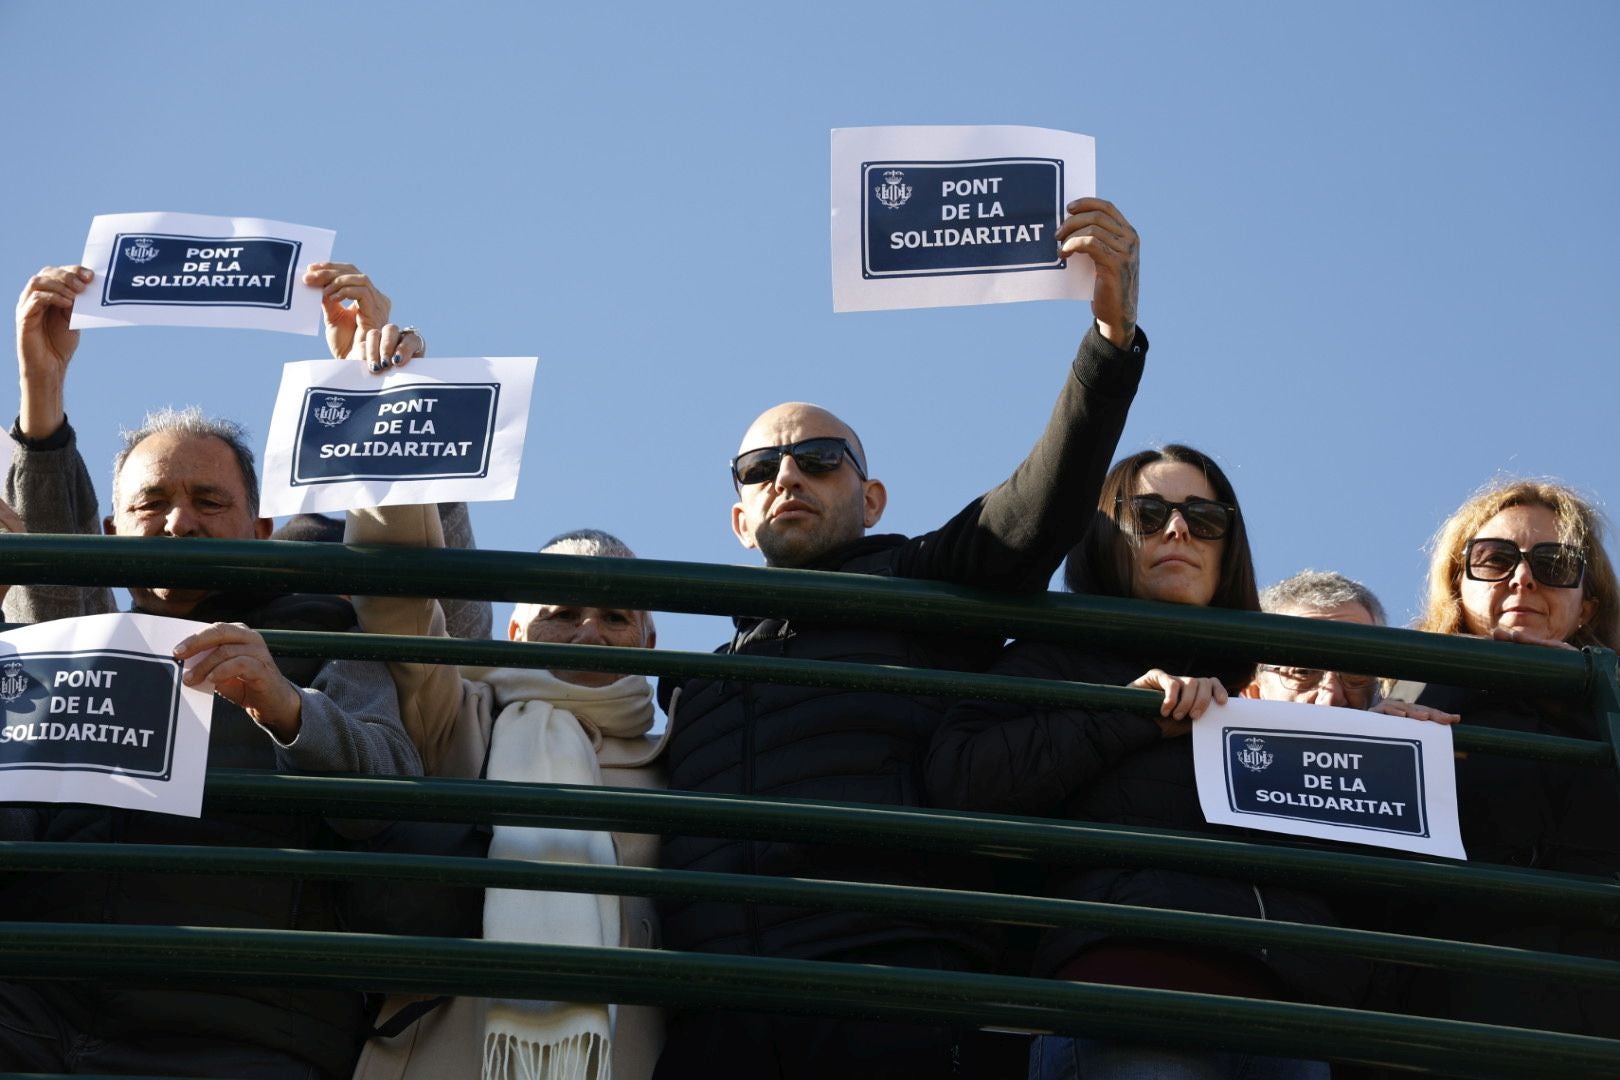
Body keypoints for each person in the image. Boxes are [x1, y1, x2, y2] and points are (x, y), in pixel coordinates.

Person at [653, 198, 1146, 1080]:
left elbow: (1037, 508)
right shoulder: (696, 675)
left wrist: (1108, 342)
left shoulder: (924, 582)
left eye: (820, 458)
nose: (788, 476)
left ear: (871, 499)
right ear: (738, 518)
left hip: (891, 996)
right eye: (760, 469)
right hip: (715, 1017)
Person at [0, 262, 427, 1078]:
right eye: (151, 504)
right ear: (110, 532)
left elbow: (392, 771)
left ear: (261, 528)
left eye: (209, 500)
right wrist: (41, 390)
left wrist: (287, 708)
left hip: (244, 1026)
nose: (178, 521)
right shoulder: (81, 636)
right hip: (38, 1013)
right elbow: (49, 581)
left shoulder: (328, 627)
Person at [928, 445, 1364, 1080]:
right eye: (1149, 513)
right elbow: (962, 780)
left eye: (1204, 518)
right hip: (1128, 1000)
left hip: (1288, 1024)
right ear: (1106, 533)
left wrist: (1402, 743)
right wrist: (1124, 715)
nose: (1179, 529)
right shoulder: (1054, 654)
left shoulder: (1266, 685)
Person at [345, 504, 665, 1080]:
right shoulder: (460, 713)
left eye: (614, 616)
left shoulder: (675, 762)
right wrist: (396, 484)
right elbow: (399, 607)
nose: (588, 631)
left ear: (647, 641)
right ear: (516, 631)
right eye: (562, 612)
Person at [1385, 479, 1620, 1038]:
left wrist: (1581, 691)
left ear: (1586, 601)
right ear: (1457, 585)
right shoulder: (1405, 688)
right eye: (1494, 559)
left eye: (1554, 562)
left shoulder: (1613, 704)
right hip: (1452, 1011)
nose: (1523, 578)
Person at [1244, 569, 1455, 722]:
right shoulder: (1215, 763)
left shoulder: (1413, 752)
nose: (1331, 698)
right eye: (1303, 672)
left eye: (1356, 672)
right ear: (1253, 692)